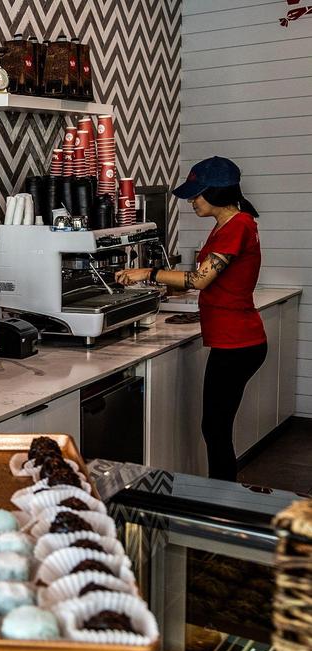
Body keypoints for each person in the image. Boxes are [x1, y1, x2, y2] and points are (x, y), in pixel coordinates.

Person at [116, 156, 264, 481]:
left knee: (215, 428)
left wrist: (148, 273)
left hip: (237, 343)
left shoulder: (236, 226)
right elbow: (215, 281)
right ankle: (221, 496)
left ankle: (220, 502)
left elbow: (200, 279)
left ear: (216, 192)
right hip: (237, 339)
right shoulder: (230, 225)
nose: (191, 200)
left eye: (196, 193)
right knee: (216, 426)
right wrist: (169, 289)